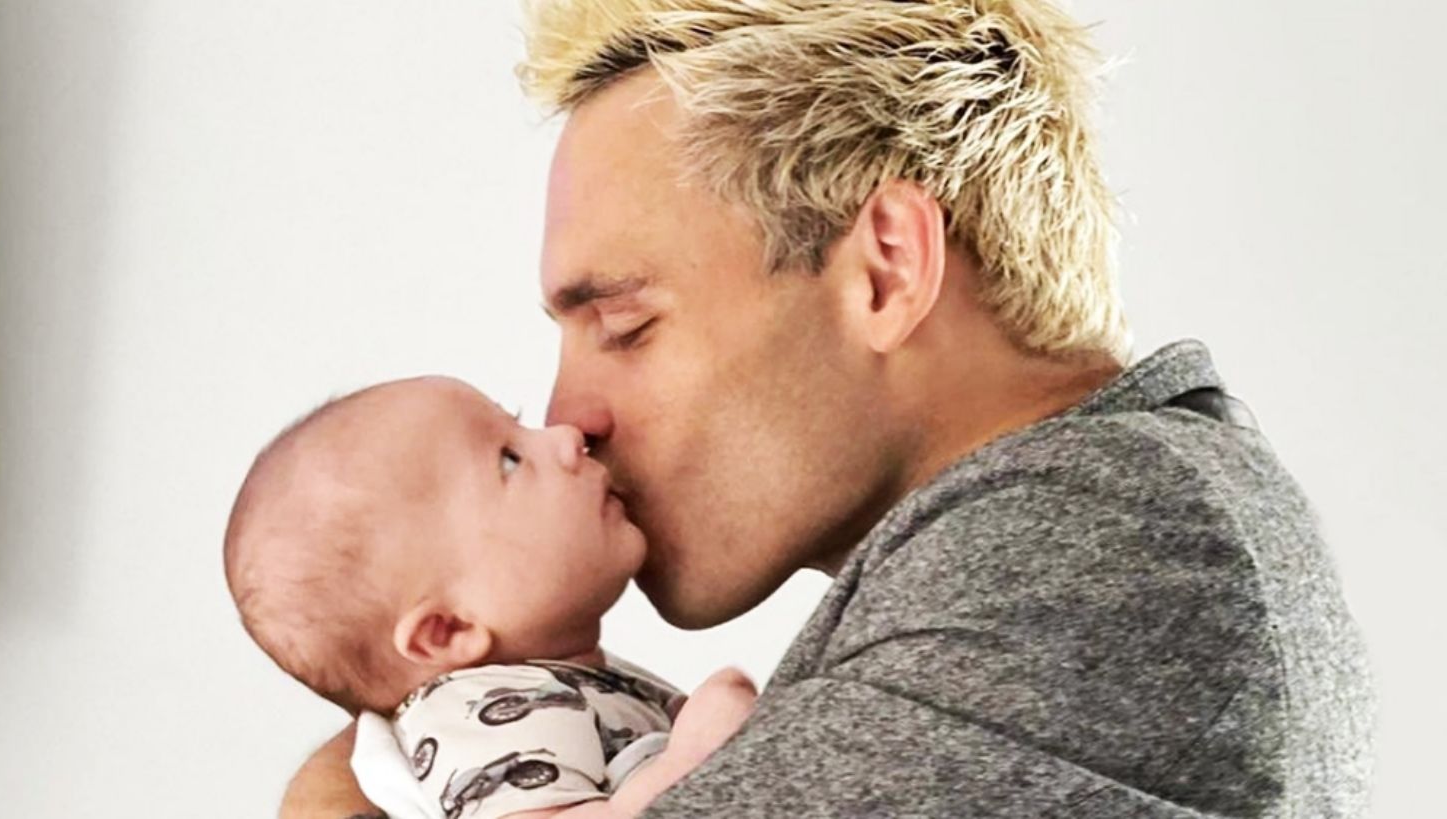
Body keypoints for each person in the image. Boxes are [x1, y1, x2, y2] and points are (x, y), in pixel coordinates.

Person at [284, 1, 1375, 816]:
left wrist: (357, 779)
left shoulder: (1098, 536)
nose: (570, 418)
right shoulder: (1114, 517)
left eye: (624, 325)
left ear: (886, 270)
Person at [224, 377, 757, 818]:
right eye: (509, 460)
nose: (567, 435)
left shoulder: (549, 682)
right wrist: (694, 755)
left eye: (519, 426)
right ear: (448, 630)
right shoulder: (475, 712)